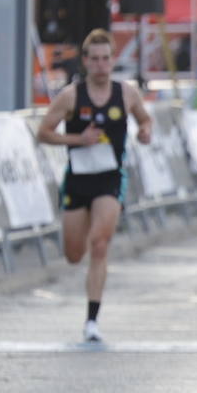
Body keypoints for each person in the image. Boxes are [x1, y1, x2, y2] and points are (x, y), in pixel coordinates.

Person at [37, 29, 153, 342]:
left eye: (107, 59)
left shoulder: (126, 93)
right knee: (74, 254)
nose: (102, 65)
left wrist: (145, 131)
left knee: (100, 245)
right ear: (86, 62)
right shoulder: (71, 96)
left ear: (113, 60)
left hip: (110, 177)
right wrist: (77, 139)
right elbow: (43, 132)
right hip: (78, 179)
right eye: (96, 59)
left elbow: (145, 119)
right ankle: (81, 258)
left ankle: (91, 320)